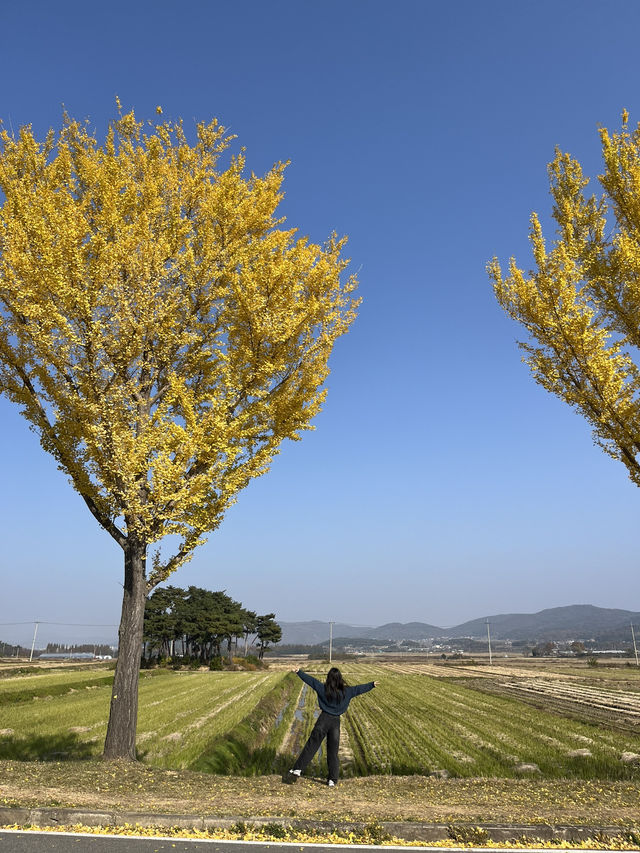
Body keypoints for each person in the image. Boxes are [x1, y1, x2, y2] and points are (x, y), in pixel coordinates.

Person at [286, 667, 379, 786]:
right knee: (333, 751)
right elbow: (358, 689)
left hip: (323, 720)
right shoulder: (347, 691)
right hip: (335, 722)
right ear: (340, 679)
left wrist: (299, 672)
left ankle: (298, 770)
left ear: (329, 678)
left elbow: (311, 681)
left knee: (312, 745)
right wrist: (372, 685)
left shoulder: (323, 689)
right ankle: (332, 780)